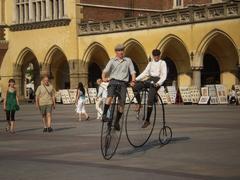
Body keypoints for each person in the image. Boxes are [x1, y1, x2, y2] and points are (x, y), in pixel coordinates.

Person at [101, 44, 136, 131]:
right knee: (110, 96)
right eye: (119, 51)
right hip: (113, 82)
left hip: (123, 84)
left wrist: (133, 81)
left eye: (122, 51)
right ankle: (104, 114)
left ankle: (116, 122)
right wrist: (103, 78)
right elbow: (105, 71)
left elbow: (132, 72)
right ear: (116, 52)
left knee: (122, 104)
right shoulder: (112, 61)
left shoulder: (128, 60)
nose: (121, 52)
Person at [133, 49, 167, 128]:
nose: (156, 58)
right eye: (155, 56)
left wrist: (158, 83)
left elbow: (164, 75)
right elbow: (145, 73)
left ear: (159, 55)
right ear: (153, 56)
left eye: (157, 56)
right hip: (150, 79)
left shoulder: (162, 63)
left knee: (149, 100)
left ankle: (147, 120)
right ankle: (139, 104)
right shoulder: (150, 63)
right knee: (135, 87)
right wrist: (136, 79)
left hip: (157, 80)